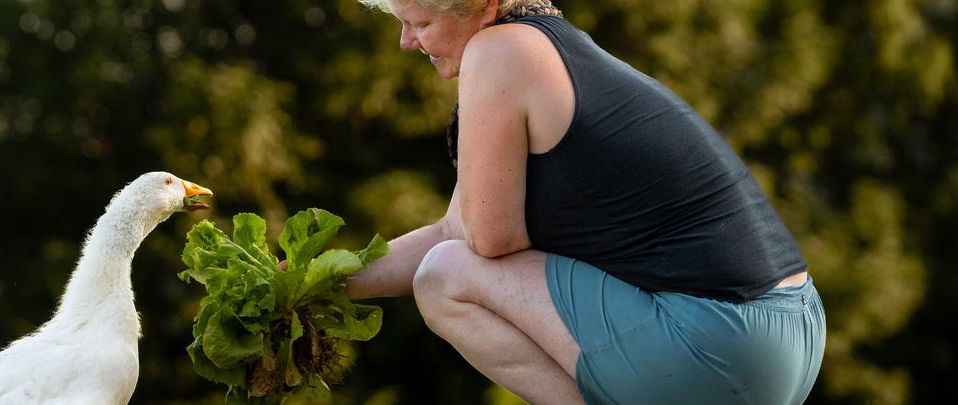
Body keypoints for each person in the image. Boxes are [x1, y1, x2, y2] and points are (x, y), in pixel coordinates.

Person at [343, 0, 826, 403]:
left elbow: (485, 241)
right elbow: (455, 230)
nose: (407, 41)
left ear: (484, 6)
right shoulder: (543, 44)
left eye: (419, 23)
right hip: (788, 334)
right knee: (446, 263)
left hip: (719, 342)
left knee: (443, 277)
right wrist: (313, 282)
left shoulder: (500, 51)